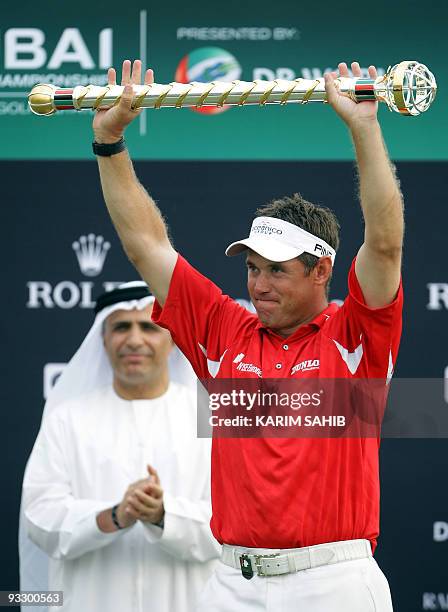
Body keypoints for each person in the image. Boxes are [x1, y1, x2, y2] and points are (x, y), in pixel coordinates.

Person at [90, 60, 404, 611]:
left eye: (277, 270)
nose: (258, 284)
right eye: (252, 268)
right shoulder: (224, 331)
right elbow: (147, 244)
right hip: (231, 583)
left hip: (333, 581)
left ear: (321, 271)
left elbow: (383, 245)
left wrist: (364, 129)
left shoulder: (356, 332)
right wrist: (110, 141)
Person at [22, 282, 220, 612]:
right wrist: (114, 516)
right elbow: (40, 518)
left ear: (172, 339)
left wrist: (163, 514)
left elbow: (236, 525)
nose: (134, 340)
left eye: (148, 327)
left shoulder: (211, 418)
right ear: (103, 338)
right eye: (121, 327)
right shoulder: (68, 419)